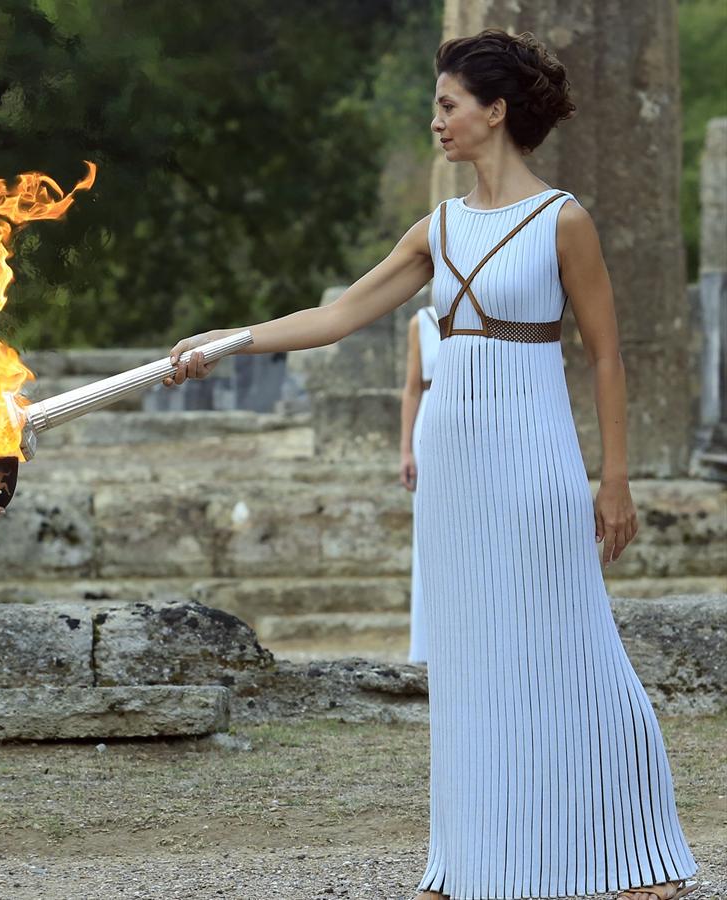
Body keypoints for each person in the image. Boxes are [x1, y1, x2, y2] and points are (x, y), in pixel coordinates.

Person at [166, 29, 696, 900]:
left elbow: (606, 355)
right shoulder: (437, 227)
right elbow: (340, 315)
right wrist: (230, 341)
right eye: (437, 106)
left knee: (572, 645)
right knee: (469, 654)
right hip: (454, 457)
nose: (437, 121)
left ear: (496, 112)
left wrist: (615, 477)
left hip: (534, 453)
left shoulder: (563, 220)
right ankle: (474, 859)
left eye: (449, 106)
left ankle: (638, 857)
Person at [397, 305, 442, 665]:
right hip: (430, 422)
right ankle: (427, 648)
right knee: (430, 534)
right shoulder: (422, 321)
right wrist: (405, 451)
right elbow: (412, 389)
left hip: (478, 416)